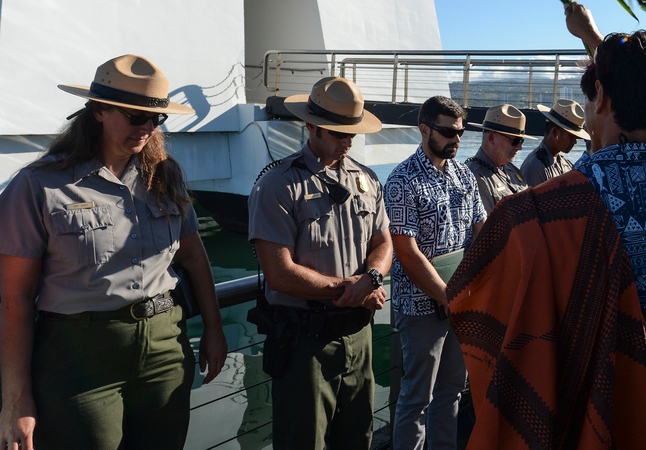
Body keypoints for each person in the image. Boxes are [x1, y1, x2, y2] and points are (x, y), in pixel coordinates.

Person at [447, 3, 646, 449]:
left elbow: (480, 303)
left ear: (600, 96)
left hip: (595, 427)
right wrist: (596, 40)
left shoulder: (545, 211)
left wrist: (594, 41)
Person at [0, 54, 227, 450]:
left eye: (156, 119)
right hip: (79, 357)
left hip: (165, 347)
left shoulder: (165, 174)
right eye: (135, 116)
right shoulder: (39, 186)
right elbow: (14, 298)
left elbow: (192, 256)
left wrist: (214, 329)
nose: (146, 128)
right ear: (99, 111)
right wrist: (16, 400)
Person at [248, 76, 391, 450]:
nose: (347, 141)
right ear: (310, 125)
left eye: (351, 134)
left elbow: (383, 241)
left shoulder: (367, 180)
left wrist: (372, 277)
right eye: (337, 133)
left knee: (359, 436)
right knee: (303, 440)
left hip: (359, 337)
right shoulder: (278, 184)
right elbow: (278, 273)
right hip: (305, 344)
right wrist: (351, 289)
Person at [386, 96, 487, 450]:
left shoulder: (463, 175)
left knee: (451, 393)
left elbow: (481, 229)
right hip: (420, 308)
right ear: (424, 129)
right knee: (416, 400)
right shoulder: (402, 180)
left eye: (460, 132)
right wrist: (449, 297)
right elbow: (406, 252)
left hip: (458, 302)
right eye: (447, 132)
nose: (456, 139)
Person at [465, 103, 534, 212]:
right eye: (515, 141)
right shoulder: (473, 176)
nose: (519, 147)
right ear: (492, 138)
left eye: (521, 141)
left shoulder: (512, 170)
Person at [519, 98, 590, 186]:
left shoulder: (564, 163)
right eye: (571, 136)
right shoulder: (534, 167)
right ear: (555, 132)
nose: (575, 142)